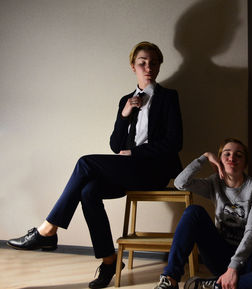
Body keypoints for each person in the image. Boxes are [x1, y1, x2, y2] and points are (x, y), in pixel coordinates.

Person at [7, 41, 183, 289]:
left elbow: (175, 142)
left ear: (159, 65)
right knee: (88, 191)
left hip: (153, 171)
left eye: (154, 62)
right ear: (133, 66)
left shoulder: (168, 97)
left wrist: (134, 152)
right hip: (128, 170)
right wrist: (124, 115)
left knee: (85, 162)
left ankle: (47, 230)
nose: (148, 67)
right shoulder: (126, 100)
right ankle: (109, 260)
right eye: (142, 62)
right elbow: (114, 144)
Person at [154, 138, 252, 289]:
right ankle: (170, 279)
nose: (232, 158)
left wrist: (233, 268)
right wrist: (205, 157)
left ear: (245, 163)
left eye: (238, 155)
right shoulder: (214, 183)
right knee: (193, 212)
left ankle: (216, 286)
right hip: (221, 256)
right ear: (220, 160)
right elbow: (180, 183)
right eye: (227, 154)